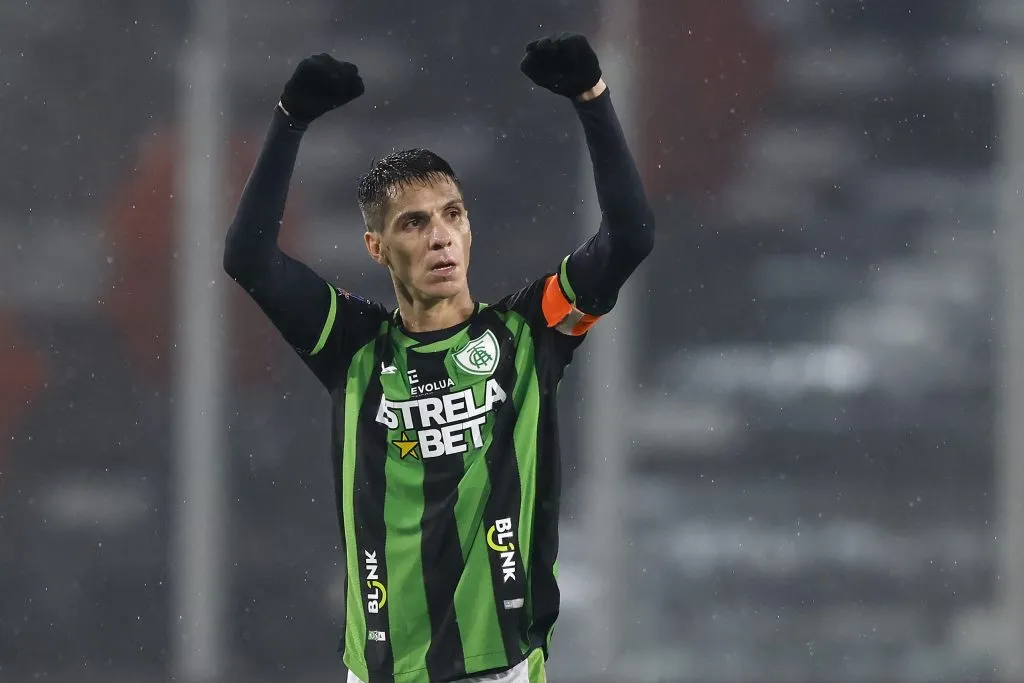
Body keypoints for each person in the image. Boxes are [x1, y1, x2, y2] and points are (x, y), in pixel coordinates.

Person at [224, 32, 655, 683]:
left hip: (497, 669)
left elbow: (629, 236)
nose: (440, 237)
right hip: (382, 669)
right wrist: (290, 122)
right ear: (376, 247)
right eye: (413, 222)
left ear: (471, 228)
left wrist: (593, 100)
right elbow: (249, 259)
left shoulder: (529, 331)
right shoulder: (356, 347)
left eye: (452, 214)